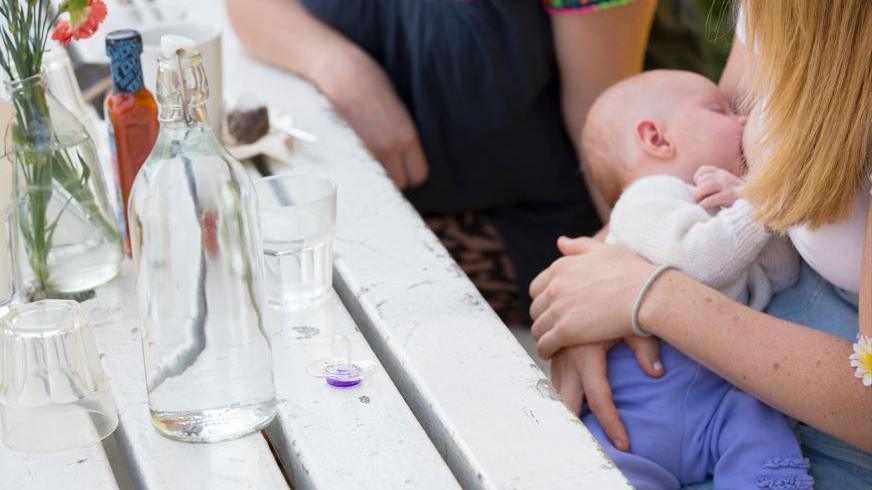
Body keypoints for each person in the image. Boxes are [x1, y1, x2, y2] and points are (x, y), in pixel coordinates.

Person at [530, 1, 871, 488]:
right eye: (720, 113)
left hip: (819, 429)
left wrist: (645, 294)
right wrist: (587, 291)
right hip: (713, 387)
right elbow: (664, 210)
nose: (740, 123)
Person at [226, 0, 660, 317]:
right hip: (359, 202)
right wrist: (340, 68)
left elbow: (604, 128)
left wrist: (634, 283)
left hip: (529, 227)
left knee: (291, 301)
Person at [578, 69, 812, 489]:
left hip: (719, 399)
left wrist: (746, 201)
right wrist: (761, 202)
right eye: (719, 110)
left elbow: (783, 275)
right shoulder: (645, 199)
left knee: (760, 431)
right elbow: (697, 263)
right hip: (638, 408)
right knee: (606, 467)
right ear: (656, 138)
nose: (744, 122)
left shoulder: (724, 204)